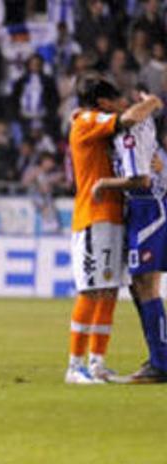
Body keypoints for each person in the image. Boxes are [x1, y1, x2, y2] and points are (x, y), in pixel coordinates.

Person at [63, 75, 161, 384]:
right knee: (91, 290)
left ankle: (97, 363)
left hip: (114, 215)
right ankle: (74, 366)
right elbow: (130, 118)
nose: (121, 103)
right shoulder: (88, 120)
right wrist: (154, 102)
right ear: (104, 103)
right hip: (94, 216)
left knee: (107, 292)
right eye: (116, 99)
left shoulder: (95, 125)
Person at [91, 89, 167, 383]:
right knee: (144, 288)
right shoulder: (144, 125)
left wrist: (104, 184)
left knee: (145, 286)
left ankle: (161, 363)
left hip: (147, 210)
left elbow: (141, 180)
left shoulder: (130, 132)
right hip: (148, 209)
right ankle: (159, 358)